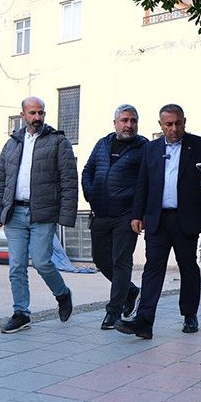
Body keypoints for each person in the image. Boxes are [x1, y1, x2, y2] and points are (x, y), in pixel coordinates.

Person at [116, 104, 201, 339]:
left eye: (178, 123)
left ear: (184, 122)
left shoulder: (199, 145)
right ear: (160, 125)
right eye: (168, 124)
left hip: (186, 219)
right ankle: (144, 321)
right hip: (157, 220)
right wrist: (136, 215)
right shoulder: (151, 149)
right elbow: (143, 184)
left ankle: (190, 314)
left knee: (189, 268)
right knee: (152, 271)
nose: (174, 129)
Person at [0, 96, 77, 334]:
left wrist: (67, 215)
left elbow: (69, 180)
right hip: (14, 214)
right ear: (23, 116)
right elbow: (0, 181)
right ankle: (21, 313)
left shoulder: (58, 142)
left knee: (41, 262)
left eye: (41, 113)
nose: (37, 117)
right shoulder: (12, 144)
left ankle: (62, 293)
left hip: (43, 213)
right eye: (32, 113)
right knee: (16, 266)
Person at [82, 104, 146, 329]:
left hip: (126, 215)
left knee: (121, 261)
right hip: (100, 213)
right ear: (115, 123)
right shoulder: (103, 143)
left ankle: (114, 312)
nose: (129, 125)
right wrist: (91, 194)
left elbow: (146, 182)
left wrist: (137, 210)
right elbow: (88, 171)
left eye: (133, 120)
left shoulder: (143, 147)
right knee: (101, 259)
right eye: (125, 120)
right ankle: (130, 292)